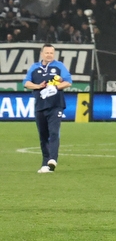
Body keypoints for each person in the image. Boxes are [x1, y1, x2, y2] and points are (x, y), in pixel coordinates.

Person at [24, 43, 73, 173]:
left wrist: (55, 87)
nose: (49, 55)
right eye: (47, 52)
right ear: (42, 53)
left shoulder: (59, 66)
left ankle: (52, 160)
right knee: (43, 136)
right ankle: (45, 163)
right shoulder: (34, 67)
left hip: (56, 105)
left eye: (51, 53)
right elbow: (26, 83)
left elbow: (68, 81)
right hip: (40, 106)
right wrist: (38, 86)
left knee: (54, 132)